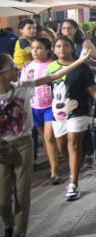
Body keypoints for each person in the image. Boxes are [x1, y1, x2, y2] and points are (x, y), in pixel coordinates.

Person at [0, 47, 96, 237]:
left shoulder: (23, 86)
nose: (16, 68)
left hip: (23, 145)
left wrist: (80, 61)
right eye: (12, 66)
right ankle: (9, 226)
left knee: (22, 195)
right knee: (3, 201)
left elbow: (55, 75)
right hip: (2, 148)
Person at [46, 38, 96, 201]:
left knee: (73, 143)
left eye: (66, 46)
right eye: (58, 46)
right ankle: (74, 168)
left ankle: (73, 184)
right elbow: (50, 91)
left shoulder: (82, 67)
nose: (62, 49)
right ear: (54, 50)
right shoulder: (51, 68)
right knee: (62, 146)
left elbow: (93, 90)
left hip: (79, 110)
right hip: (58, 112)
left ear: (71, 49)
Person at [60, 19, 96, 169]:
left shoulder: (84, 45)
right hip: (65, 89)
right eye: (64, 28)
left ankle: (89, 152)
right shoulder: (59, 46)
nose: (66, 31)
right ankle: (76, 154)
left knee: (83, 121)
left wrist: (86, 61)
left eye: (69, 28)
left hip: (83, 86)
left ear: (75, 29)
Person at [20, 38, 61, 184]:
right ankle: (54, 161)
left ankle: (54, 171)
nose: (35, 51)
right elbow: (23, 87)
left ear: (47, 50)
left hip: (50, 106)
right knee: (45, 138)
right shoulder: (27, 67)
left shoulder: (52, 65)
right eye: (33, 48)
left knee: (49, 137)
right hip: (34, 106)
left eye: (39, 48)